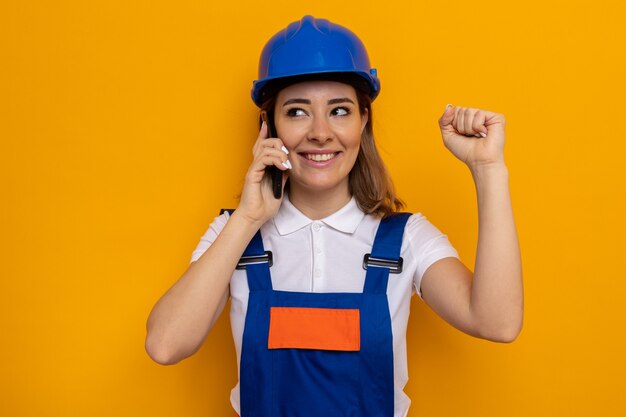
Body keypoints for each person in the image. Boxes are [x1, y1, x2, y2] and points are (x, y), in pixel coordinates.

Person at [145, 15, 523, 417]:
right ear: (268, 127)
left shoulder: (404, 238)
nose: (321, 132)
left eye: (339, 111)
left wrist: (488, 170)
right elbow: (165, 345)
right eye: (297, 112)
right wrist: (247, 219)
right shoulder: (233, 233)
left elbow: (497, 323)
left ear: (364, 122)